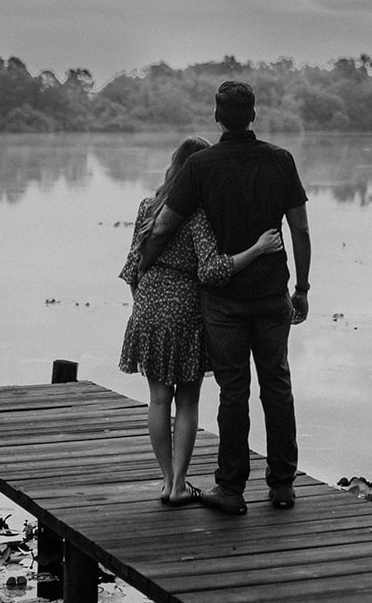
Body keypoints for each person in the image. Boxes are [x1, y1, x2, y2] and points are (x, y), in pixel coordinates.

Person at [135, 81, 311, 515]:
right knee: (278, 385)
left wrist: (142, 269)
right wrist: (301, 288)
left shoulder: (200, 167)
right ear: (253, 115)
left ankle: (231, 491)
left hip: (223, 301)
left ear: (217, 117)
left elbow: (163, 226)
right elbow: (300, 230)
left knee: (234, 391)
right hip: (272, 294)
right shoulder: (280, 160)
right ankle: (282, 484)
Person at [118, 135, 284, 506]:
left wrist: (143, 306)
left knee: (158, 399)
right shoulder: (197, 214)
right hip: (185, 309)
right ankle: (179, 485)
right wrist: (257, 248)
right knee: (187, 402)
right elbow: (211, 270)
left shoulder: (148, 207)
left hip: (147, 306)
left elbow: (132, 268)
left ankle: (166, 482)